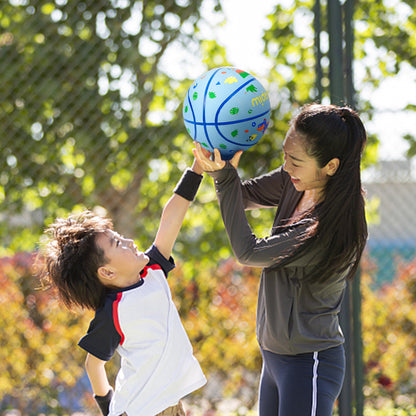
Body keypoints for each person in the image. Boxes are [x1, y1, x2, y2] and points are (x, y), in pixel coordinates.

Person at [193, 103, 368, 416]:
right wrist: (222, 163)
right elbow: (240, 196)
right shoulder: (296, 182)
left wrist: (224, 179)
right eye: (285, 156)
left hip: (309, 362)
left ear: (330, 166)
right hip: (273, 358)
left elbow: (249, 252)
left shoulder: (328, 228)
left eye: (296, 161)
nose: (287, 168)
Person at [39, 159, 207, 416]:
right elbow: (93, 363)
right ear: (107, 272)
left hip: (169, 405)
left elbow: (171, 218)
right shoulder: (113, 312)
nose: (128, 241)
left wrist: (197, 169)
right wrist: (108, 407)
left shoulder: (153, 270)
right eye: (117, 244)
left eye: (119, 237)